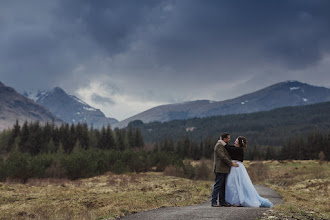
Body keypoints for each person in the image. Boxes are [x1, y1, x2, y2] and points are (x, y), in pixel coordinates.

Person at [225, 136, 274, 207]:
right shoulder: (237, 148)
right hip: (235, 167)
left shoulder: (239, 149)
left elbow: (229, 148)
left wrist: (222, 143)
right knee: (233, 184)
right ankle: (235, 200)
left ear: (239, 143)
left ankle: (237, 201)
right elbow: (230, 147)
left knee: (235, 184)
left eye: (236, 141)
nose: (234, 142)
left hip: (237, 168)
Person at [211, 132, 239, 207]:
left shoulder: (223, 145)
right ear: (224, 139)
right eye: (228, 138)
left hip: (224, 169)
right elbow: (222, 157)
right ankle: (213, 201)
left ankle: (222, 201)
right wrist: (231, 163)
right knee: (218, 185)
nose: (229, 139)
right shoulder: (219, 146)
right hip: (220, 168)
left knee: (222, 186)